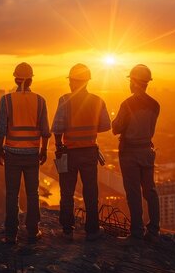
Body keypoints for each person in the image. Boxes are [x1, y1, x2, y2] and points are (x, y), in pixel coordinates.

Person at [52, 63, 111, 241]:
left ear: (74, 82)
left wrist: (58, 145)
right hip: (89, 152)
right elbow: (106, 125)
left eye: (71, 81)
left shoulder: (64, 100)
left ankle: (67, 229)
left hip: (69, 152)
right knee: (91, 191)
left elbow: (57, 127)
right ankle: (92, 228)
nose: (70, 84)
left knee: (67, 191)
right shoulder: (97, 101)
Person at [0, 63, 50, 245]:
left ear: (15, 79)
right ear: (31, 79)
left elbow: (0, 129)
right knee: (33, 193)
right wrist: (44, 150)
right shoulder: (40, 101)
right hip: (32, 154)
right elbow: (45, 130)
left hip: (12, 153)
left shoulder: (7, 100)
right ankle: (33, 231)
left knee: (12, 193)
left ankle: (11, 234)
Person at [112, 64, 161, 243]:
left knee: (133, 193)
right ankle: (154, 230)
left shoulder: (128, 104)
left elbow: (116, 128)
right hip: (147, 151)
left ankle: (137, 232)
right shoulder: (155, 105)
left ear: (133, 82)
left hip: (130, 153)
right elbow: (151, 129)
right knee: (150, 190)